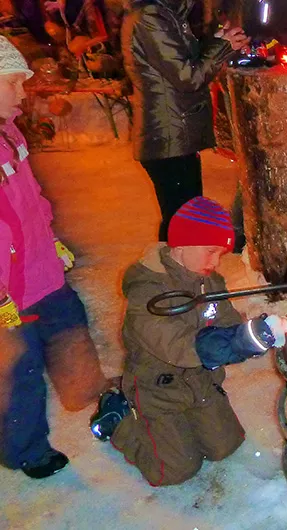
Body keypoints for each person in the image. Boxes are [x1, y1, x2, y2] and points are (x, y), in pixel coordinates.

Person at [93, 197, 287, 486]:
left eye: (221, 254)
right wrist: (239, 341)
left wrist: (253, 335)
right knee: (177, 470)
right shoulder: (147, 292)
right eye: (210, 251)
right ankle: (118, 417)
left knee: (225, 446)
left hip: (201, 383)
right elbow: (181, 347)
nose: (215, 262)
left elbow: (228, 323)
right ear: (181, 244)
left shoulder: (209, 281)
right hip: (158, 389)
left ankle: (184, 427)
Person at [0, 36, 113, 479]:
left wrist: (49, 236)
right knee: (19, 368)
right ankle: (24, 447)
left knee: (70, 327)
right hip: (10, 291)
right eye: (11, 84)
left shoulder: (9, 134)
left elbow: (29, 197)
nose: (21, 93)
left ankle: (90, 394)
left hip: (40, 267)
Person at [121, 0, 249, 241]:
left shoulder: (167, 13)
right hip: (168, 134)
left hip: (175, 131)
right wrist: (222, 46)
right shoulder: (151, 16)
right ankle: (171, 275)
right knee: (182, 222)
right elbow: (188, 76)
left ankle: (177, 274)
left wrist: (218, 42)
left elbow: (186, 61)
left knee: (184, 219)